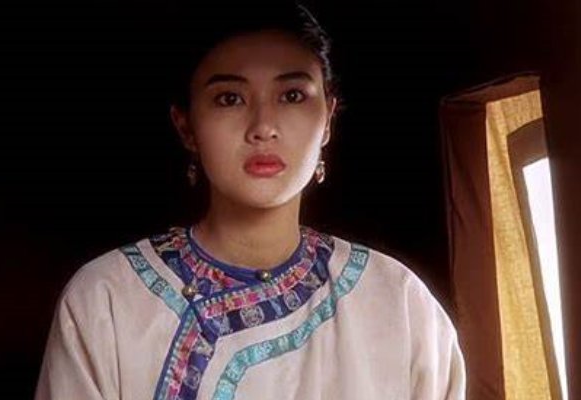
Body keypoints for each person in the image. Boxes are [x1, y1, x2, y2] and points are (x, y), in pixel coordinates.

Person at [35, 2, 466, 399]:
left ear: (328, 120)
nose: (263, 126)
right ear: (186, 126)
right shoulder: (105, 301)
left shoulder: (398, 302)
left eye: (292, 95)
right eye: (230, 98)